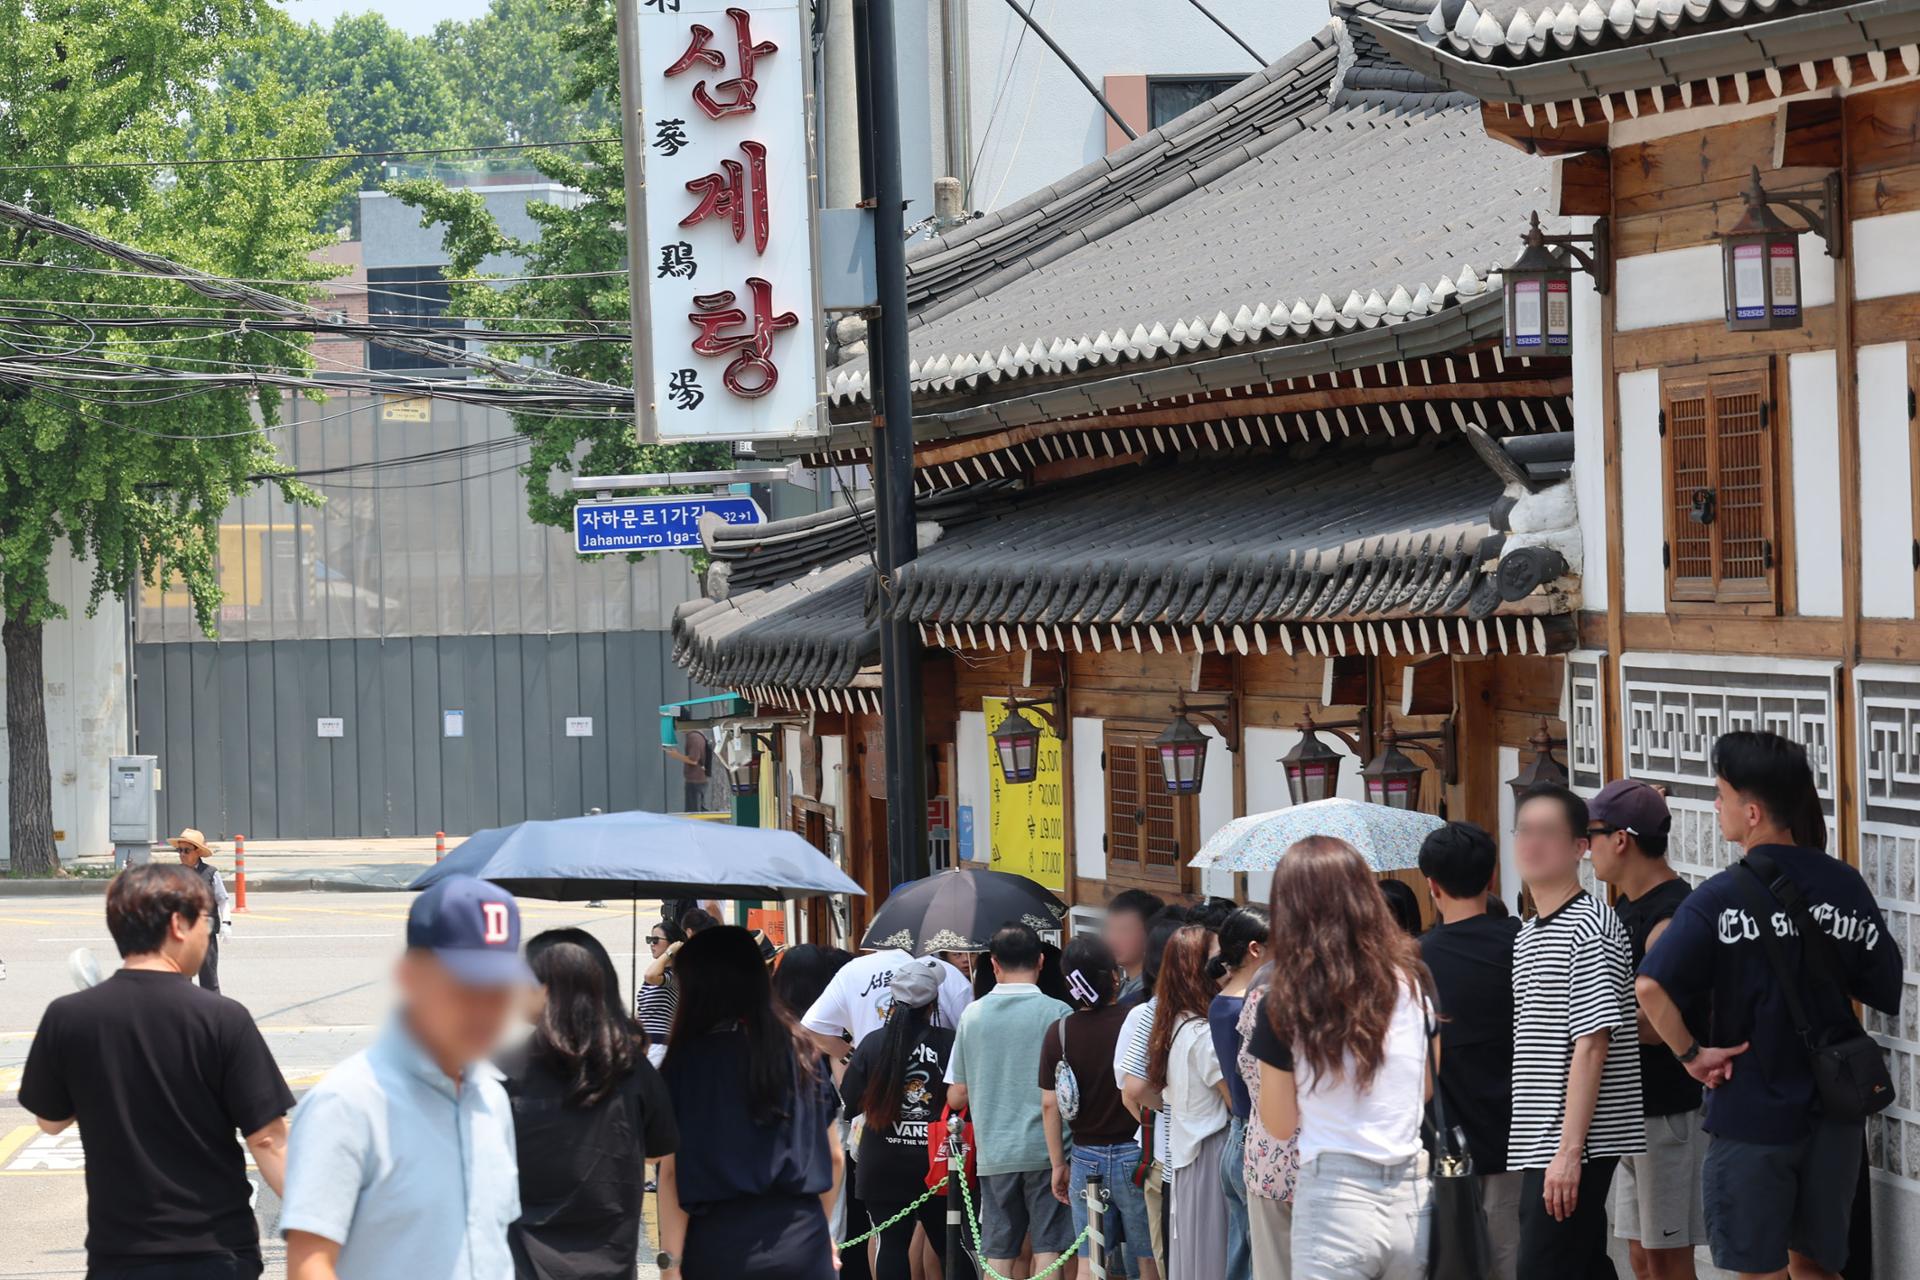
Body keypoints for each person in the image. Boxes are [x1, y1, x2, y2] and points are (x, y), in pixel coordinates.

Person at [1637, 732, 1903, 1280]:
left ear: (1752, 812)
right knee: (1818, 1267)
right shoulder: (1844, 884)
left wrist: (1691, 1055)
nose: (1716, 806)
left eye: (1721, 795)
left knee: (1758, 1270)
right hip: (1833, 1113)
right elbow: (1884, 984)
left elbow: (1651, 988)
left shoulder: (1717, 898)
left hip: (1751, 1110)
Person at [20, 863, 293, 1280]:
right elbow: (269, 1139)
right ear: (178, 924)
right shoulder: (221, 1018)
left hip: (119, 1256)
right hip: (217, 1252)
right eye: (206, 920)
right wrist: (324, 1225)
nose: (209, 931)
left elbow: (51, 1121)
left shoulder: (69, 1017)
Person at [282, 875, 533, 1280]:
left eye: (500, 990)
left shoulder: (491, 1097)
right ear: (410, 976)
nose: (486, 1011)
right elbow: (311, 1264)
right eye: (467, 987)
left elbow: (491, 1244)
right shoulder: (347, 1103)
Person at [1249, 836, 1435, 1280]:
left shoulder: (1284, 1001)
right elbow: (1425, 1086)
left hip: (1335, 1195)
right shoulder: (1414, 982)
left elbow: (1279, 1122)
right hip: (1411, 1193)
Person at [1509, 783, 1643, 1279]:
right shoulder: (1529, 931)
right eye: (1525, 830)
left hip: (1573, 1142)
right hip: (1540, 1134)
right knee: (1581, 1265)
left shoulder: (1590, 927)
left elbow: (1592, 1044)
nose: (1532, 843)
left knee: (1545, 1268)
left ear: (1579, 848)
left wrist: (1568, 1154)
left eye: (1548, 833)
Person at [657, 926, 843, 1280]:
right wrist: (822, 1236)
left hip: (719, 1247)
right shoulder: (801, 1050)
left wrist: (671, 1265)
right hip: (803, 1243)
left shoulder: (687, 1062)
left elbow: (670, 1175)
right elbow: (833, 1157)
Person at [1582, 780, 1708, 1280]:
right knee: (1638, 1254)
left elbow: (1660, 1024)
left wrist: (1589, 1024)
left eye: (1590, 833)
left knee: (1668, 1261)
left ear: (1620, 839)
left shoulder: (1670, 915)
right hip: (1629, 1110)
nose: (1584, 846)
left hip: (1667, 1109)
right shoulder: (1625, 906)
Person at [500, 931, 679, 1280]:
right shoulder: (631, 1068)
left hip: (522, 1266)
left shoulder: (505, 1072)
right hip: (609, 1265)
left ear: (550, 990)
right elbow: (658, 1151)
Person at [1417, 821, 1524, 1280]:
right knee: (1511, 1261)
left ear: (1432, 885)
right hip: (1521, 1143)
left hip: (1440, 1146)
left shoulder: (1414, 963)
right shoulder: (1526, 945)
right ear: (1493, 877)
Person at [946, 923, 1075, 1277]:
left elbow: (957, 1093)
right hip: (1049, 1151)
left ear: (994, 964)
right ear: (1041, 961)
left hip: (995, 1152)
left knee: (999, 1252)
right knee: (1050, 1248)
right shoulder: (1058, 1013)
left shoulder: (971, 1015)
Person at [1040, 935, 1158, 1280]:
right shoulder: (1134, 1021)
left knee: (1090, 1259)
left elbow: (1050, 1103)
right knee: (1146, 1256)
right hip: (1135, 1152)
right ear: (1114, 976)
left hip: (1085, 1155)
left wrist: (1058, 1164)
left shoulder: (1059, 1031)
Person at [839, 958, 954, 1280]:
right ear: (932, 1003)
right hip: (937, 1162)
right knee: (949, 1247)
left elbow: (848, 1102)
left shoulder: (873, 1043)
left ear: (893, 999)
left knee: (890, 1244)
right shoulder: (948, 1042)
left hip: (883, 1161)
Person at [1150, 925, 1232, 1280]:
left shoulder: (1175, 1023)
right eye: (1217, 960)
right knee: (1214, 1255)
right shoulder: (1203, 1034)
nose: (1226, 967)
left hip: (1185, 1157)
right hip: (1209, 1152)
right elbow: (1237, 1101)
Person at [1117, 908, 1186, 1276]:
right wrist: (1172, 1112)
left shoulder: (1147, 1013)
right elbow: (1133, 1090)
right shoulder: (1150, 1015)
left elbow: (1131, 1092)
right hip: (1168, 1157)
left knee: (1167, 1258)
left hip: (1164, 1155)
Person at [1210, 905, 1269, 1280]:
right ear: (1255, 949)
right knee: (1259, 1258)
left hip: (1235, 1135)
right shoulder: (1250, 1005)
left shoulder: (1221, 1002)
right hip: (1255, 1136)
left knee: (1240, 1253)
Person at [1235, 962, 1299, 1280]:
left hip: (1270, 1159)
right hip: (1341, 1170)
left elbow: (1248, 1071)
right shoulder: (1380, 990)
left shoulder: (1267, 995)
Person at [171, 827, 230, 992]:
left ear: (198, 852)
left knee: (209, 982)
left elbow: (223, 900)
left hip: (205, 937)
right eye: (179, 850)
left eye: (186, 850)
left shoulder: (211, 874)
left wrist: (226, 923)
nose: (182, 854)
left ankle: (213, 1016)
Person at [639, 916, 688, 1066]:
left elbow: (650, 976)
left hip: (658, 1045)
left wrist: (669, 953)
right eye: (650, 940)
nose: (652, 944)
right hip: (645, 1045)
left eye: (655, 940)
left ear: (672, 944)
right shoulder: (660, 972)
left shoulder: (674, 975)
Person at [1104, 889, 1165, 1003]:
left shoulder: (1149, 996)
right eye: (1110, 928)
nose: (1112, 939)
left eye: (1124, 930)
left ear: (1150, 935)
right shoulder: (1123, 985)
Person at [663, 730, 712, 812]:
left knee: (693, 812)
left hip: (695, 781)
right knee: (698, 810)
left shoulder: (694, 737)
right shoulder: (698, 734)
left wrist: (676, 755)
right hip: (700, 779)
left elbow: (694, 760)